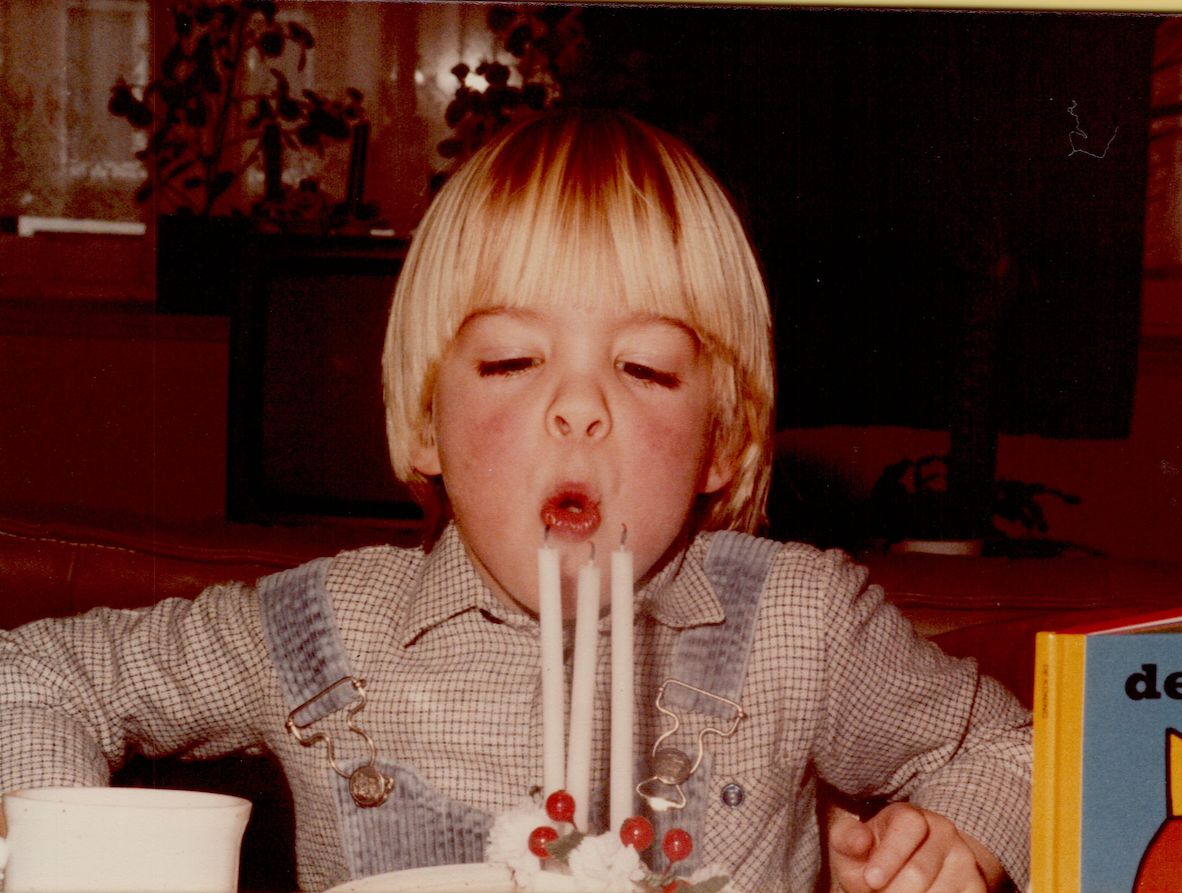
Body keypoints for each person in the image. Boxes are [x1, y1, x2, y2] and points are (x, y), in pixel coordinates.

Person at [0, 109, 1030, 892]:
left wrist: (954, 836)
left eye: (641, 367)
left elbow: (1012, 749)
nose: (577, 405)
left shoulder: (802, 626)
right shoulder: (320, 631)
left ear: (721, 438)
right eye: (510, 358)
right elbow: (33, 676)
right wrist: (79, 844)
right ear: (422, 422)